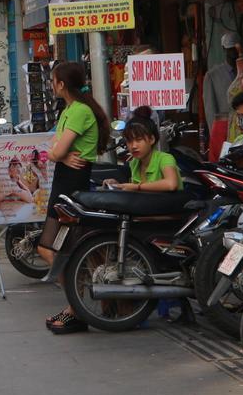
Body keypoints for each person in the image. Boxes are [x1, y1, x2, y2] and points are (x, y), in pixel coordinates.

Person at [36, 63, 109, 335]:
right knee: (58, 248)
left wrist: (59, 153)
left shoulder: (79, 111)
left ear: (61, 84)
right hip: (64, 180)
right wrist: (58, 153)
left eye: (52, 80)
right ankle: (77, 304)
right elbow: (54, 150)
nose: (50, 84)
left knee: (52, 247)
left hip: (72, 183)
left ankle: (76, 307)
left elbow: (56, 150)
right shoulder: (70, 110)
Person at [105, 112, 182, 192]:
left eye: (138, 140)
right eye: (129, 141)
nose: (133, 146)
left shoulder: (165, 158)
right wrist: (117, 185)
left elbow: (171, 184)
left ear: (151, 139)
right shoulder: (134, 163)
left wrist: (137, 187)